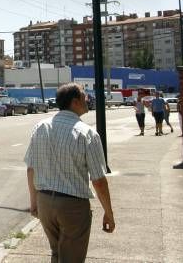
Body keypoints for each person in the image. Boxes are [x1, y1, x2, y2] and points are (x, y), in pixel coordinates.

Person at [25, 83, 115, 263]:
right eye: (84, 97)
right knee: (72, 257)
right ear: (75, 102)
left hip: (45, 203)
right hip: (72, 206)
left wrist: (34, 202)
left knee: (57, 252)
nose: (87, 100)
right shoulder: (87, 133)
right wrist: (109, 213)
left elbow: (31, 168)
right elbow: (98, 180)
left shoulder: (41, 127)